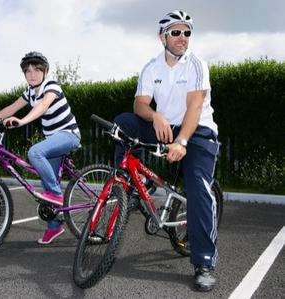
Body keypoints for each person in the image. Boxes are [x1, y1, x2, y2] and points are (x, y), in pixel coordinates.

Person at [113, 10, 220, 291]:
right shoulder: (152, 67)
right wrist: (156, 116)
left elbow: (195, 107)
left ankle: (204, 261)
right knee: (123, 123)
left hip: (197, 131)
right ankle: (129, 185)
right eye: (176, 32)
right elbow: (140, 105)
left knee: (197, 187)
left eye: (187, 32)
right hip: (166, 126)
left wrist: (181, 142)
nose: (182, 38)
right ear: (162, 37)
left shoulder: (197, 65)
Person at [0, 51, 81, 245]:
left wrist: (22, 121)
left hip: (68, 135)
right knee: (47, 183)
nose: (32, 74)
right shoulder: (29, 92)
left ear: (45, 71)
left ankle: (57, 194)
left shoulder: (52, 86)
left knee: (35, 153)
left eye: (37, 70)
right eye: (27, 71)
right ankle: (55, 227)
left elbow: (43, 106)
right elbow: (11, 108)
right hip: (53, 141)